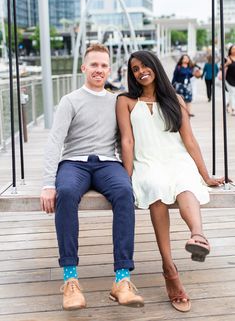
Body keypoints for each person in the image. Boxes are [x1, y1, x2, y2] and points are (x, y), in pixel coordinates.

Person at [116, 50, 224, 313]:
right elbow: (127, 141)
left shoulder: (174, 99)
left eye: (144, 65)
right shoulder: (126, 101)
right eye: (134, 68)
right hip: (147, 161)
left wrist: (206, 175)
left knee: (185, 183)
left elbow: (189, 141)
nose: (140, 71)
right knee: (154, 187)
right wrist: (125, 178)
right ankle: (169, 267)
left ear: (154, 66)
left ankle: (198, 237)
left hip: (176, 158)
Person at [40, 44, 144, 311]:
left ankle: (122, 279)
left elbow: (126, 140)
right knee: (66, 193)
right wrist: (48, 183)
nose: (99, 70)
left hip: (108, 163)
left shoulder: (116, 101)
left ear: (110, 69)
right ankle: (70, 279)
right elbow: (55, 142)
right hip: (74, 163)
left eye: (104, 66)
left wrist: (133, 173)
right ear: (84, 67)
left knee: (124, 192)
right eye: (94, 65)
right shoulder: (70, 100)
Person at [224, 44, 235, 115]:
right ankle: (233, 109)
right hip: (229, 78)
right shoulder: (227, 58)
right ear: (230, 50)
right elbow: (221, 68)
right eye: (233, 49)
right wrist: (227, 63)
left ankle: (228, 104)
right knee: (233, 92)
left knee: (232, 94)